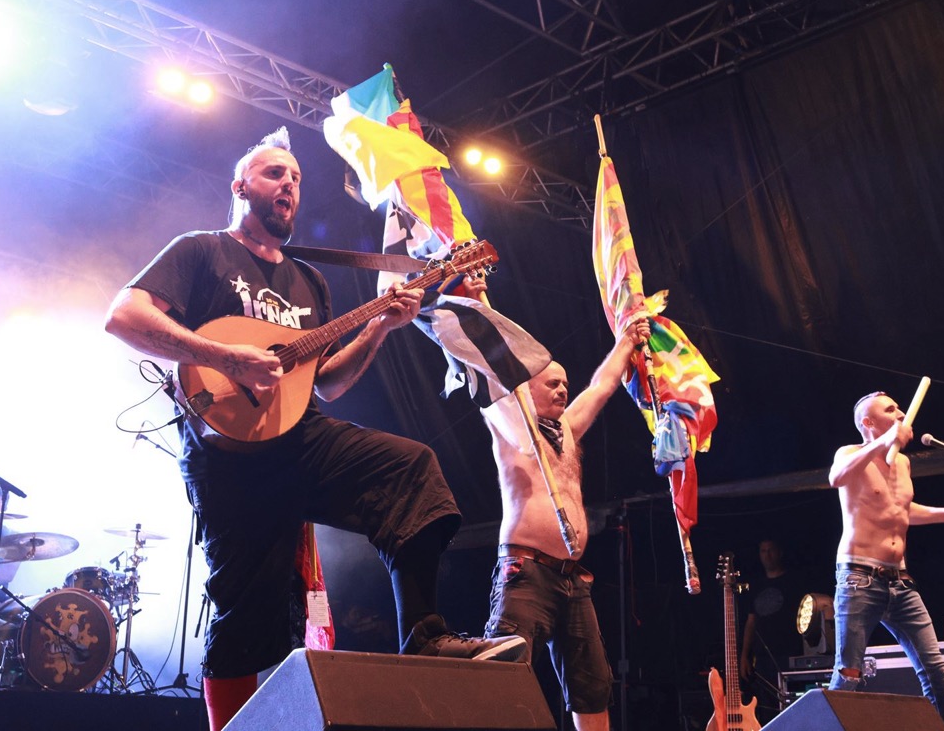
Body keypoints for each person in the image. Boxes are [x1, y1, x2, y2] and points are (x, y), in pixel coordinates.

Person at [104, 128, 525, 731]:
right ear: (240, 186)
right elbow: (124, 316)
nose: (289, 186)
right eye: (275, 173)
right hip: (227, 457)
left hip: (301, 438)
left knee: (409, 469)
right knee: (250, 614)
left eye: (297, 179)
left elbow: (326, 382)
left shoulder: (311, 281)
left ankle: (426, 635)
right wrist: (225, 357)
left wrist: (380, 328)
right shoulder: (201, 251)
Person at [475, 279, 649, 731]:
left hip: (572, 579)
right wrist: (475, 301)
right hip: (526, 571)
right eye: (551, 383)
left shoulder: (568, 430)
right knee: (504, 673)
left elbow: (603, 385)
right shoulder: (508, 423)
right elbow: (491, 362)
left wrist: (627, 341)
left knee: (593, 684)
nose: (562, 390)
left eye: (565, 384)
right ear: (527, 388)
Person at [826, 391, 944, 731]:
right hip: (859, 577)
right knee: (849, 675)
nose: (900, 414)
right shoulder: (850, 454)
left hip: (900, 581)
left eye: (899, 408)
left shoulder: (902, 463)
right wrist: (881, 443)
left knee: (937, 673)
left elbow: (902, 510)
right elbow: (836, 478)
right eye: (890, 409)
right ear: (868, 423)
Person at [739, 538, 815, 724]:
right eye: (763, 551)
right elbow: (751, 622)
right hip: (763, 659)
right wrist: (744, 656)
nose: (767, 555)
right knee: (767, 708)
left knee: (793, 707)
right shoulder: (756, 586)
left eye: (771, 550)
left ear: (779, 552)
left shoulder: (794, 582)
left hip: (791, 654)